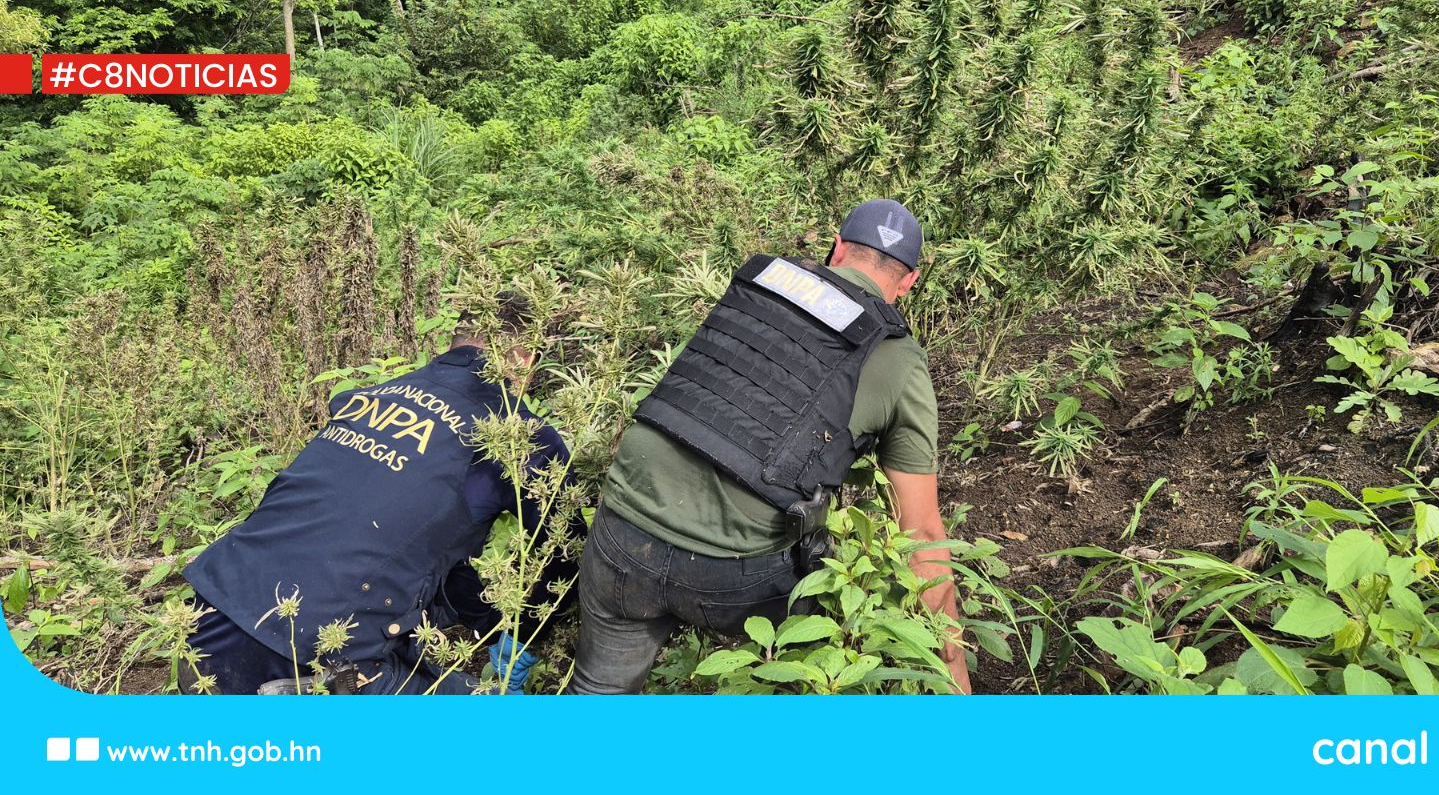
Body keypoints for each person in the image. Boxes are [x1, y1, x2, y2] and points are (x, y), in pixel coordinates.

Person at [570, 198, 969, 694]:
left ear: (837, 248)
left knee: (597, 693)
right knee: (824, 639)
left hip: (622, 532)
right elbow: (923, 535)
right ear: (908, 282)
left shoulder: (760, 285)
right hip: (738, 576)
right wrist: (953, 674)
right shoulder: (899, 359)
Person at [179, 293, 578, 695]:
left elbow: (411, 545)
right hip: (311, 662)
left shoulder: (373, 395)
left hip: (204, 623)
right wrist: (525, 634)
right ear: (526, 360)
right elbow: (568, 552)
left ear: (454, 340)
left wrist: (488, 618)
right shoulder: (519, 436)